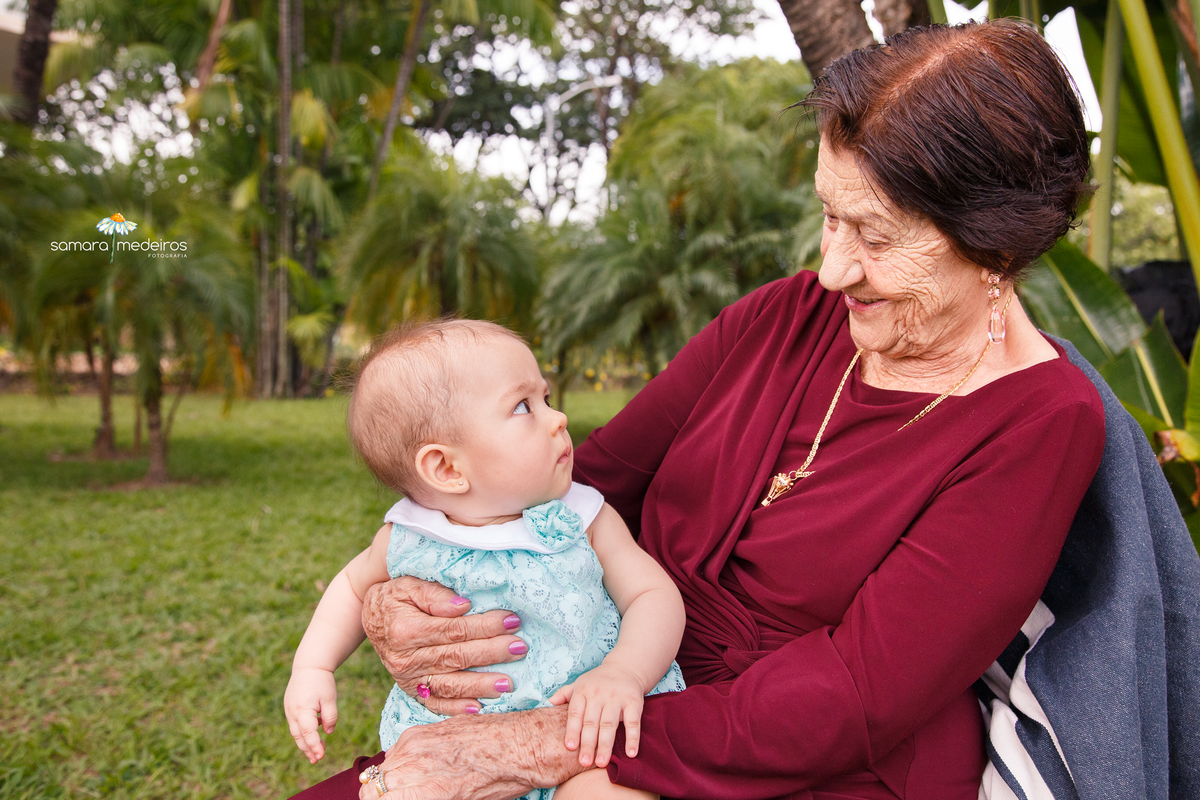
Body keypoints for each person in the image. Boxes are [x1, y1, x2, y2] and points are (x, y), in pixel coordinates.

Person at [292, 19, 1107, 800]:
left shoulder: (1039, 424)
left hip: (797, 760)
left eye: (876, 236)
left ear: (995, 243)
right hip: (598, 693)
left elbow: (855, 695)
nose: (830, 270)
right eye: (829, 214)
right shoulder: (785, 317)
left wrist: (541, 741)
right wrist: (394, 596)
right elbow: (583, 481)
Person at [283, 320, 686, 800]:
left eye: (547, 398)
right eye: (523, 406)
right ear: (447, 468)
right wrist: (313, 668)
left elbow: (652, 594)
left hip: (583, 730)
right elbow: (352, 589)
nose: (557, 419)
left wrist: (625, 672)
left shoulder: (583, 517)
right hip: (450, 754)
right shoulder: (409, 537)